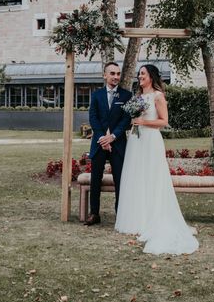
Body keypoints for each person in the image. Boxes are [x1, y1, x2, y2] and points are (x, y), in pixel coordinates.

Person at [115, 64, 198, 255]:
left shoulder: (158, 96)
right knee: (137, 178)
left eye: (142, 73)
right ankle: (137, 219)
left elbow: (164, 121)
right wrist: (134, 121)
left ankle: (153, 219)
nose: (139, 76)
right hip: (136, 141)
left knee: (152, 178)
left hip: (151, 140)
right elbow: (133, 118)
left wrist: (143, 122)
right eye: (139, 74)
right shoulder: (137, 97)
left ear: (151, 76)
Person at [85, 62, 132, 225]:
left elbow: (126, 120)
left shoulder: (126, 95)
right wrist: (102, 138)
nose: (116, 77)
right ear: (105, 75)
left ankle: (120, 214)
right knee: (95, 179)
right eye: (112, 73)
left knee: (120, 180)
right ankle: (94, 214)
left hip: (117, 144)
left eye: (118, 74)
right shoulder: (96, 95)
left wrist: (112, 137)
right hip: (99, 144)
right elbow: (93, 118)